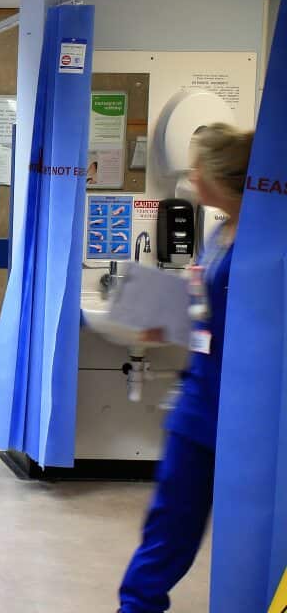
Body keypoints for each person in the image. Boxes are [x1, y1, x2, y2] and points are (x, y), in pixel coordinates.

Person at [117, 123, 255, 613]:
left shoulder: (260, 244)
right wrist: (169, 320)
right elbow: (208, 315)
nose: (191, 178)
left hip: (242, 411)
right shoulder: (220, 232)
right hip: (198, 402)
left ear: (215, 176)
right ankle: (137, 606)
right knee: (170, 523)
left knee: (249, 533)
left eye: (195, 168)